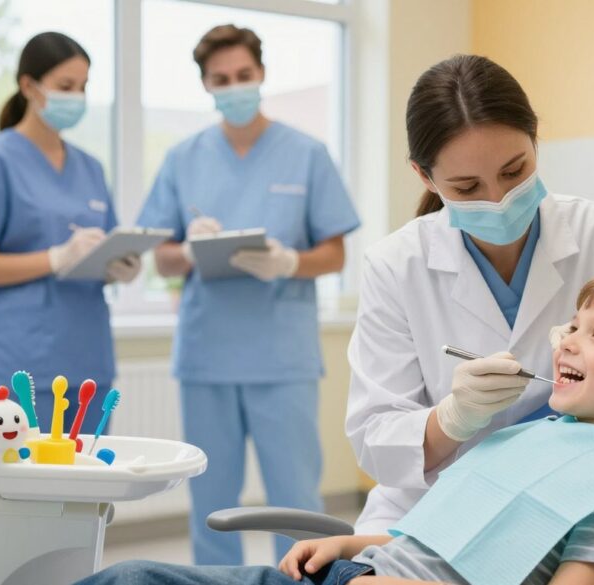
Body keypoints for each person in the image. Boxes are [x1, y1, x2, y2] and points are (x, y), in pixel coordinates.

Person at [80, 267, 594, 585]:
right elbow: (447, 527)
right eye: (573, 323)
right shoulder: (535, 433)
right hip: (358, 572)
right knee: (132, 577)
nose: (564, 340)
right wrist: (351, 544)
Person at [345, 54, 594, 534]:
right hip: (425, 517)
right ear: (425, 177)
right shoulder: (395, 265)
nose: (499, 199)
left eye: (514, 172)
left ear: (535, 140)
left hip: (570, 502)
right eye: (467, 187)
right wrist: (454, 417)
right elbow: (377, 439)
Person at [136, 24, 360, 565]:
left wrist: (287, 261)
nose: (234, 86)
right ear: (205, 85)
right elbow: (159, 253)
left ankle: (304, 579)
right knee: (211, 502)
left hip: (281, 356)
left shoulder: (307, 154)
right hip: (207, 353)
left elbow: (335, 254)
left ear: (261, 75)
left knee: (295, 501)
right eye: (221, 79)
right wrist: (188, 251)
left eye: (244, 75)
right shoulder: (183, 157)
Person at [0, 32, 138, 433]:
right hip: (22, 366)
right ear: (29, 86)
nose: (77, 96)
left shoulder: (90, 167)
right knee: (22, 491)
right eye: (65, 86)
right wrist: (54, 258)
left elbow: (103, 247)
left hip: (88, 365)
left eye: (84, 86)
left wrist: (117, 265)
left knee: (91, 489)